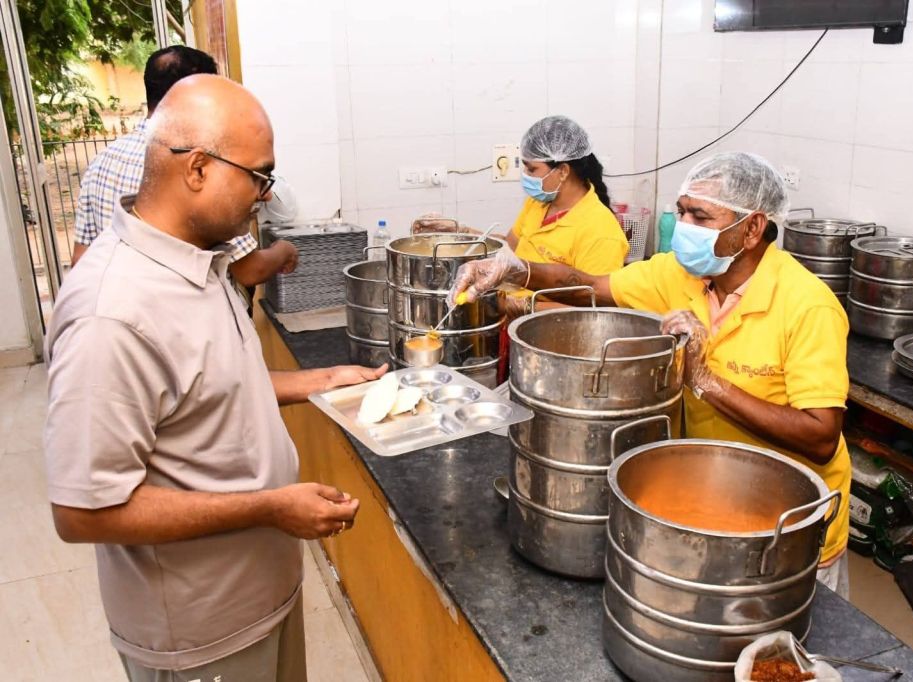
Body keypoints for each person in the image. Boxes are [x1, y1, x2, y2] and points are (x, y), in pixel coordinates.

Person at [44, 74, 386, 681]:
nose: (264, 196)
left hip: (260, 595)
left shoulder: (201, 262)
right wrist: (269, 507)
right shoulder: (113, 312)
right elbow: (83, 511)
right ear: (198, 167)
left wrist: (319, 381)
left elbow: (204, 389)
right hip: (201, 633)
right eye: (258, 176)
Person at [450, 152, 853, 596]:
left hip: (787, 528)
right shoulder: (678, 273)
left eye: (700, 216)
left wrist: (705, 381)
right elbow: (590, 286)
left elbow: (820, 438)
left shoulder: (807, 306)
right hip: (705, 505)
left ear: (753, 228)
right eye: (681, 212)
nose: (683, 227)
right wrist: (517, 269)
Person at [71, 45, 298, 287]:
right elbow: (248, 270)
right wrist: (283, 250)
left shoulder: (100, 162)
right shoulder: (193, 162)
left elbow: (80, 259)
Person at [413, 115, 629, 289]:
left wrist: (517, 305)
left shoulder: (602, 233)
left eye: (531, 169)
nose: (525, 175)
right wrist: (460, 232)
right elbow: (509, 248)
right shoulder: (539, 203)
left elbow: (592, 309)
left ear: (563, 171)